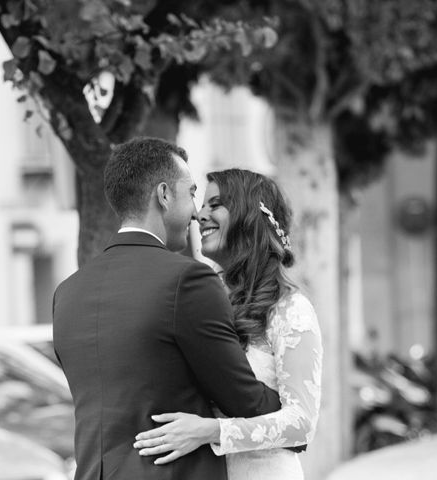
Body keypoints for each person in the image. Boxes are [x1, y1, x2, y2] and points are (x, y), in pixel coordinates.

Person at [52, 138, 282, 480]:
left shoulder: (67, 292)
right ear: (163, 194)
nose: (195, 213)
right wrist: (293, 408)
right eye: (190, 193)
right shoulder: (187, 280)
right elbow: (243, 400)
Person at [133, 168, 323, 480]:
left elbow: (301, 423)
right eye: (202, 204)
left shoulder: (291, 310)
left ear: (250, 217)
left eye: (215, 204)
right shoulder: (201, 301)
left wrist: (211, 431)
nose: (199, 215)